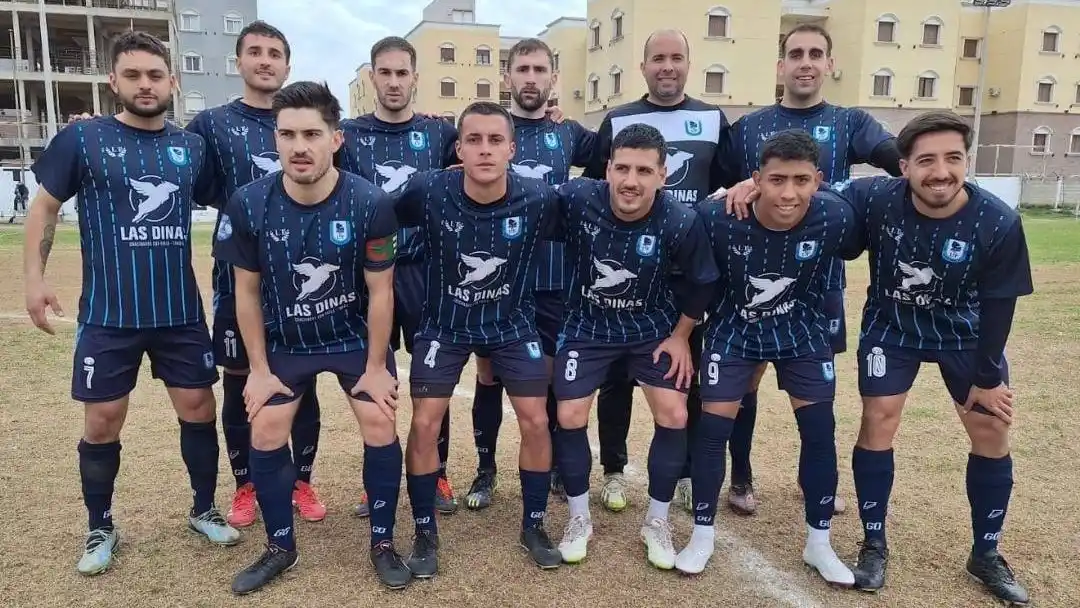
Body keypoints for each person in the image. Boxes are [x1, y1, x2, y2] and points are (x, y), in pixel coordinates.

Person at [22, 30, 238, 577]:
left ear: (173, 82)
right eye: (134, 75)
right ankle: (101, 525)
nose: (146, 85)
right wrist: (34, 280)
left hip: (179, 313)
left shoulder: (191, 147)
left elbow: (236, 196)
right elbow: (44, 208)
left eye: (156, 75)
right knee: (102, 421)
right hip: (109, 314)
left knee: (199, 410)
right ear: (113, 81)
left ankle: (203, 508)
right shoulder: (83, 139)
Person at [214, 81, 409, 593]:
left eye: (311, 134)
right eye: (288, 134)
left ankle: (384, 542)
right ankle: (280, 545)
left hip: (351, 337)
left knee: (379, 418)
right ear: (275, 140)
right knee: (266, 428)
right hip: (287, 341)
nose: (299, 146)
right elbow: (246, 294)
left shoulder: (370, 203)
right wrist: (257, 371)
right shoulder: (248, 202)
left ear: (335, 139)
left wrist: (374, 369)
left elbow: (382, 292)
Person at [830, 111, 1032, 604]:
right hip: (892, 327)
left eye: (952, 159)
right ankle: (874, 540)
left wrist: (987, 377)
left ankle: (985, 552)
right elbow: (808, 194)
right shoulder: (874, 197)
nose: (940, 171)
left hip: (964, 331)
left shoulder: (997, 220)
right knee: (878, 418)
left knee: (990, 426)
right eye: (926, 160)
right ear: (903, 166)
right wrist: (746, 186)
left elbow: (999, 304)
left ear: (967, 161)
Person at [716, 23, 903, 516]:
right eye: (795, 53)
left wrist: (922, 166)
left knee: (816, 387)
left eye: (815, 53)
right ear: (780, 66)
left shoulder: (850, 121)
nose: (805, 61)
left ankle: (811, 479)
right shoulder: (749, 127)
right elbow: (722, 186)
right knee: (746, 380)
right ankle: (741, 477)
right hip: (752, 280)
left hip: (818, 280)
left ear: (828, 64)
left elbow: (895, 159)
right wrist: (737, 188)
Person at [392, 101, 562, 576]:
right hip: (443, 324)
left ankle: (533, 523)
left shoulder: (541, 197)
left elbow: (604, 206)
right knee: (425, 423)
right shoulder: (428, 189)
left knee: (534, 419)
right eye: (473, 140)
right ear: (459, 149)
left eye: (494, 141)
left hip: (512, 324)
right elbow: (377, 218)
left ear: (511, 148)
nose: (484, 150)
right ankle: (425, 532)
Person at [692, 129, 860, 583]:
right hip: (733, 329)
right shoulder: (719, 214)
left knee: (820, 432)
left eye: (801, 180)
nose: (789, 192)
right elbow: (677, 231)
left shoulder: (836, 216)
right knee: (712, 429)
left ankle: (819, 544)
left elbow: (879, 218)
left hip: (801, 331)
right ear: (756, 179)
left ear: (818, 180)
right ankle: (702, 534)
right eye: (777, 179)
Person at [554, 123, 718, 569]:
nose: (631, 180)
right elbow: (522, 198)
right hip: (587, 326)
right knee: (568, 415)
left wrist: (682, 336)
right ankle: (578, 518)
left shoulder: (681, 220)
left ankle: (657, 521)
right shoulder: (576, 198)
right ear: (607, 169)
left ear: (663, 176)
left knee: (675, 413)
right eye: (622, 167)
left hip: (652, 329)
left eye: (644, 170)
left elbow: (703, 282)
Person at [583, 28, 733, 513]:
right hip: (629, 269)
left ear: (688, 64)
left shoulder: (712, 118)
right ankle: (612, 470)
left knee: (682, 374)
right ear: (643, 66)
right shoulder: (620, 118)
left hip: (686, 270)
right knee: (616, 381)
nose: (667, 66)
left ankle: (686, 471)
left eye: (676, 58)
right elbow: (593, 186)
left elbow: (731, 183)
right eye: (657, 59)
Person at [186, 20, 327, 528]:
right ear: (239, 61)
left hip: (301, 283)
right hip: (238, 280)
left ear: (287, 65)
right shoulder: (211, 125)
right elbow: (184, 177)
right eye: (255, 52)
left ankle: (300, 480)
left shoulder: (310, 120)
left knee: (303, 383)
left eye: (274, 53)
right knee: (241, 383)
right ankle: (246, 483)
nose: (265, 60)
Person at [466, 37, 596, 510]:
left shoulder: (571, 133)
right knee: (488, 374)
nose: (530, 78)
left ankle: (559, 464)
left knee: (557, 375)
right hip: (500, 280)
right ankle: (485, 469)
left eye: (540, 69)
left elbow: (616, 166)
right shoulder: (487, 128)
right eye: (522, 69)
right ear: (507, 77)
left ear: (553, 78)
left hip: (557, 276)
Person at [337, 35, 461, 518]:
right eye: (384, 73)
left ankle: (439, 472)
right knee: (378, 380)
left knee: (436, 381)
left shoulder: (438, 134)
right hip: (371, 278)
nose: (393, 82)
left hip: (429, 274)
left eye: (401, 73)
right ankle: (380, 481)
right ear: (372, 77)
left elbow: (480, 147)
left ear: (415, 78)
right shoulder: (347, 134)